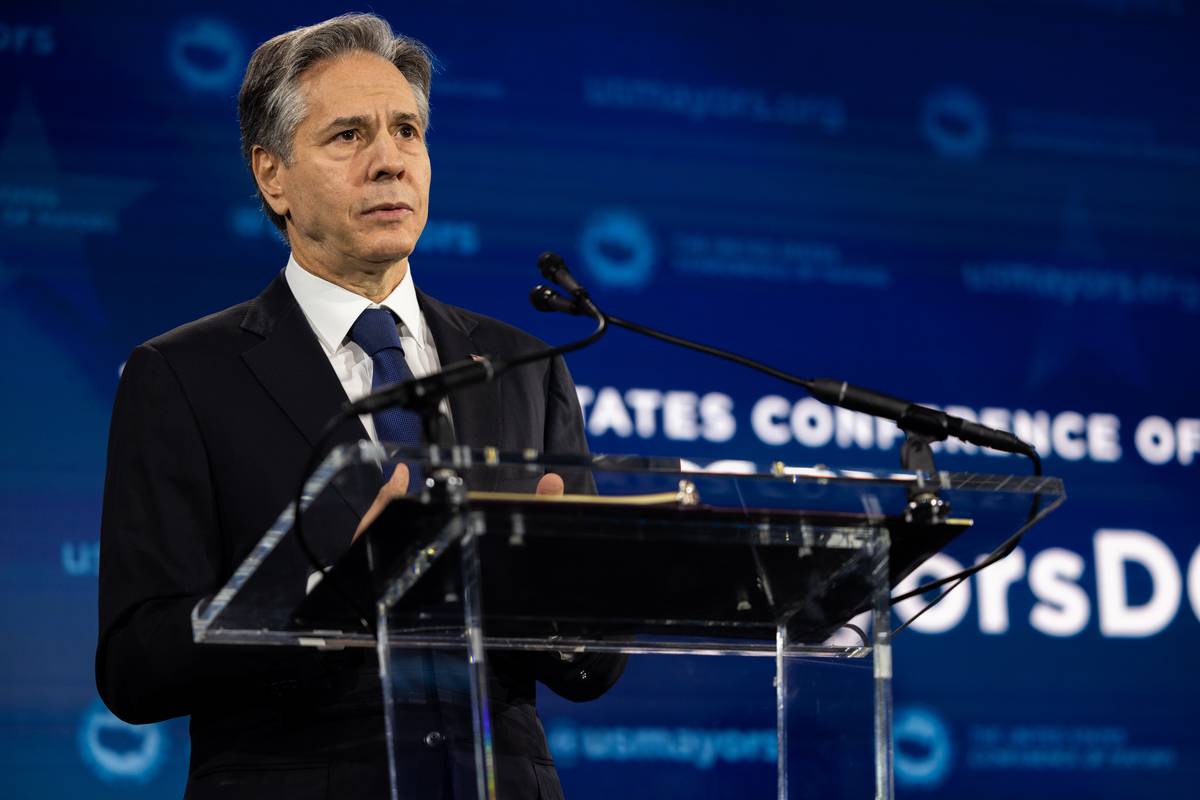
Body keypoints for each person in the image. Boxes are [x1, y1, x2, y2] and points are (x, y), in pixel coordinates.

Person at [97, 13, 623, 799]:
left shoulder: (522, 366)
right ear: (272, 174)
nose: (390, 162)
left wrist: (566, 604)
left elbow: (591, 667)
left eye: (407, 130)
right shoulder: (181, 376)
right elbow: (138, 663)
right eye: (348, 136)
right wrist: (326, 588)